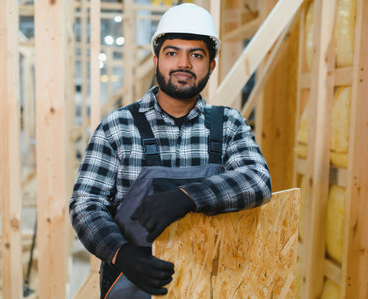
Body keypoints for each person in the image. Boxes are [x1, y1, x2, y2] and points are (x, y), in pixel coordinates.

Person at [69, 3, 271, 298]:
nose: (183, 64)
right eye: (172, 52)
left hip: (210, 286)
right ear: (157, 60)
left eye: (196, 55)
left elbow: (257, 180)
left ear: (211, 66)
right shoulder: (118, 127)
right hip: (134, 281)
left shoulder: (227, 124)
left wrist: (188, 197)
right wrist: (120, 253)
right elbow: (85, 204)